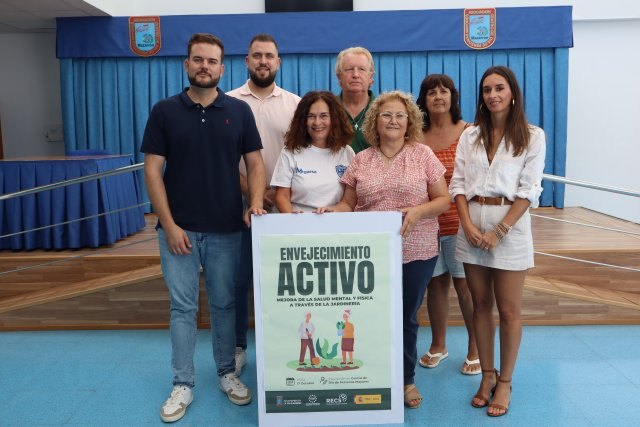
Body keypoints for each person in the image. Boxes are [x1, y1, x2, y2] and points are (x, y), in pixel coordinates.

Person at [141, 33, 267, 423]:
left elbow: (257, 165)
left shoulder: (239, 112)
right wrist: (170, 224)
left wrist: (257, 202)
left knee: (225, 306)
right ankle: (183, 383)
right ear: (187, 65)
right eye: (198, 60)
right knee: (182, 308)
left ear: (222, 68)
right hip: (177, 232)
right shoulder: (164, 111)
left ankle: (227, 373)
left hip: (227, 230)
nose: (205, 66)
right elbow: (152, 171)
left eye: (212, 61)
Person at [317, 91, 450, 409]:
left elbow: (443, 200)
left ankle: (405, 380)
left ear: (410, 123)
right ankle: (372, 374)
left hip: (416, 249)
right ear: (375, 122)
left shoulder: (423, 155)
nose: (393, 120)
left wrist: (418, 212)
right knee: (370, 315)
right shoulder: (360, 160)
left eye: (400, 115)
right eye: (386, 115)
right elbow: (348, 203)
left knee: (405, 316)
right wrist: (329, 212)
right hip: (370, 253)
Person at [449, 65, 546, 417]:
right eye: (487, 89)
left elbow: (530, 190)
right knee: (479, 305)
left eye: (499, 88)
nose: (492, 95)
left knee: (508, 309)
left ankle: (505, 381)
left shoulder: (533, 136)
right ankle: (486, 376)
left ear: (513, 93)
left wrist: (500, 231)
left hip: (511, 225)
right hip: (472, 222)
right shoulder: (470, 136)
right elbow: (457, 183)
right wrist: (468, 225)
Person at [227, 33, 300, 376]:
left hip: (285, 209)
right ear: (246, 61)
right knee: (239, 282)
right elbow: (226, 160)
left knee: (284, 284)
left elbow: (303, 155)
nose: (263, 61)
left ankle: (284, 345)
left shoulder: (296, 105)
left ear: (278, 62)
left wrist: (277, 195)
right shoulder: (226, 102)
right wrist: (255, 194)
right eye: (256, 55)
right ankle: (239, 347)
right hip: (238, 209)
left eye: (269, 55)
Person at [415, 74, 480, 375]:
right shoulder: (415, 136)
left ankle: (476, 347)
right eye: (431, 92)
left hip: (460, 224)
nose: (438, 96)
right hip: (427, 226)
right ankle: (439, 345)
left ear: (453, 97)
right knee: (436, 285)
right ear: (424, 100)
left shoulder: (470, 132)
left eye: (444, 91)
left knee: (466, 287)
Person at [271, 91, 355, 212]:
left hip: (336, 223)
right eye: (311, 116)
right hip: (299, 223)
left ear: (334, 118)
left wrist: (334, 211)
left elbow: (349, 201)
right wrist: (291, 216)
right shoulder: (290, 151)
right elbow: (281, 196)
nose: (317, 122)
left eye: (323, 116)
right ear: (303, 121)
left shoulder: (347, 152)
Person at [335, 47, 375, 153]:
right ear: (339, 77)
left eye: (361, 69)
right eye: (349, 69)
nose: (355, 75)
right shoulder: (328, 108)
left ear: (371, 77)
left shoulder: (383, 110)